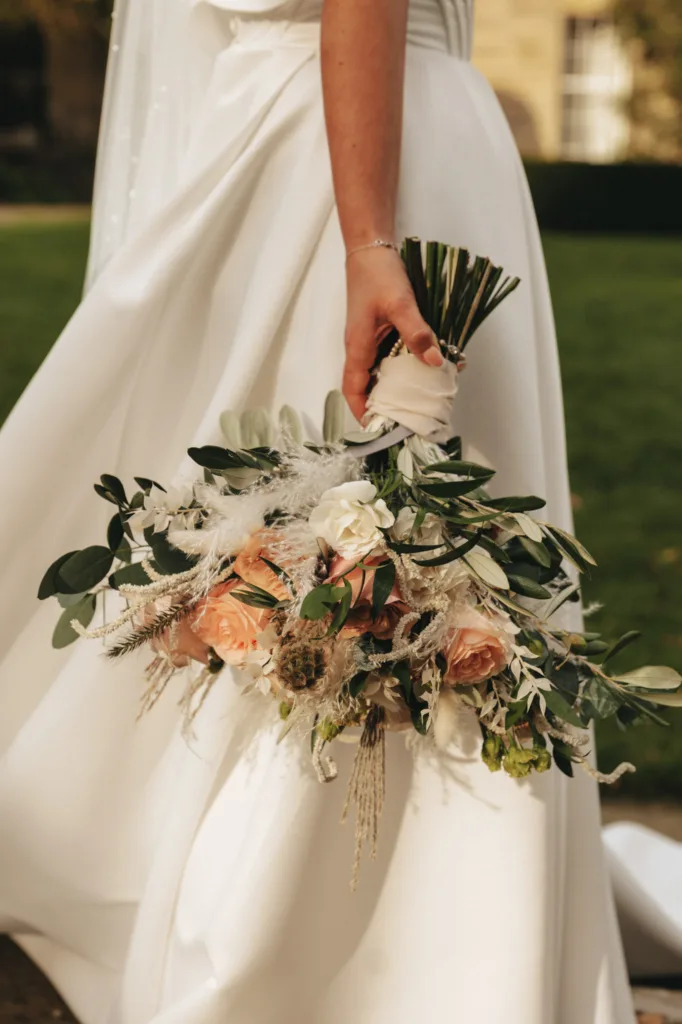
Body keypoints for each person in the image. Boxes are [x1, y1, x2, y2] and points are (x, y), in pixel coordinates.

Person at [0, 0, 639, 1021]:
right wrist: (370, 238)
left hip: (278, 132)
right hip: (374, 160)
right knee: (363, 537)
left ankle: (281, 913)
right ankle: (406, 947)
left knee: (336, 542)